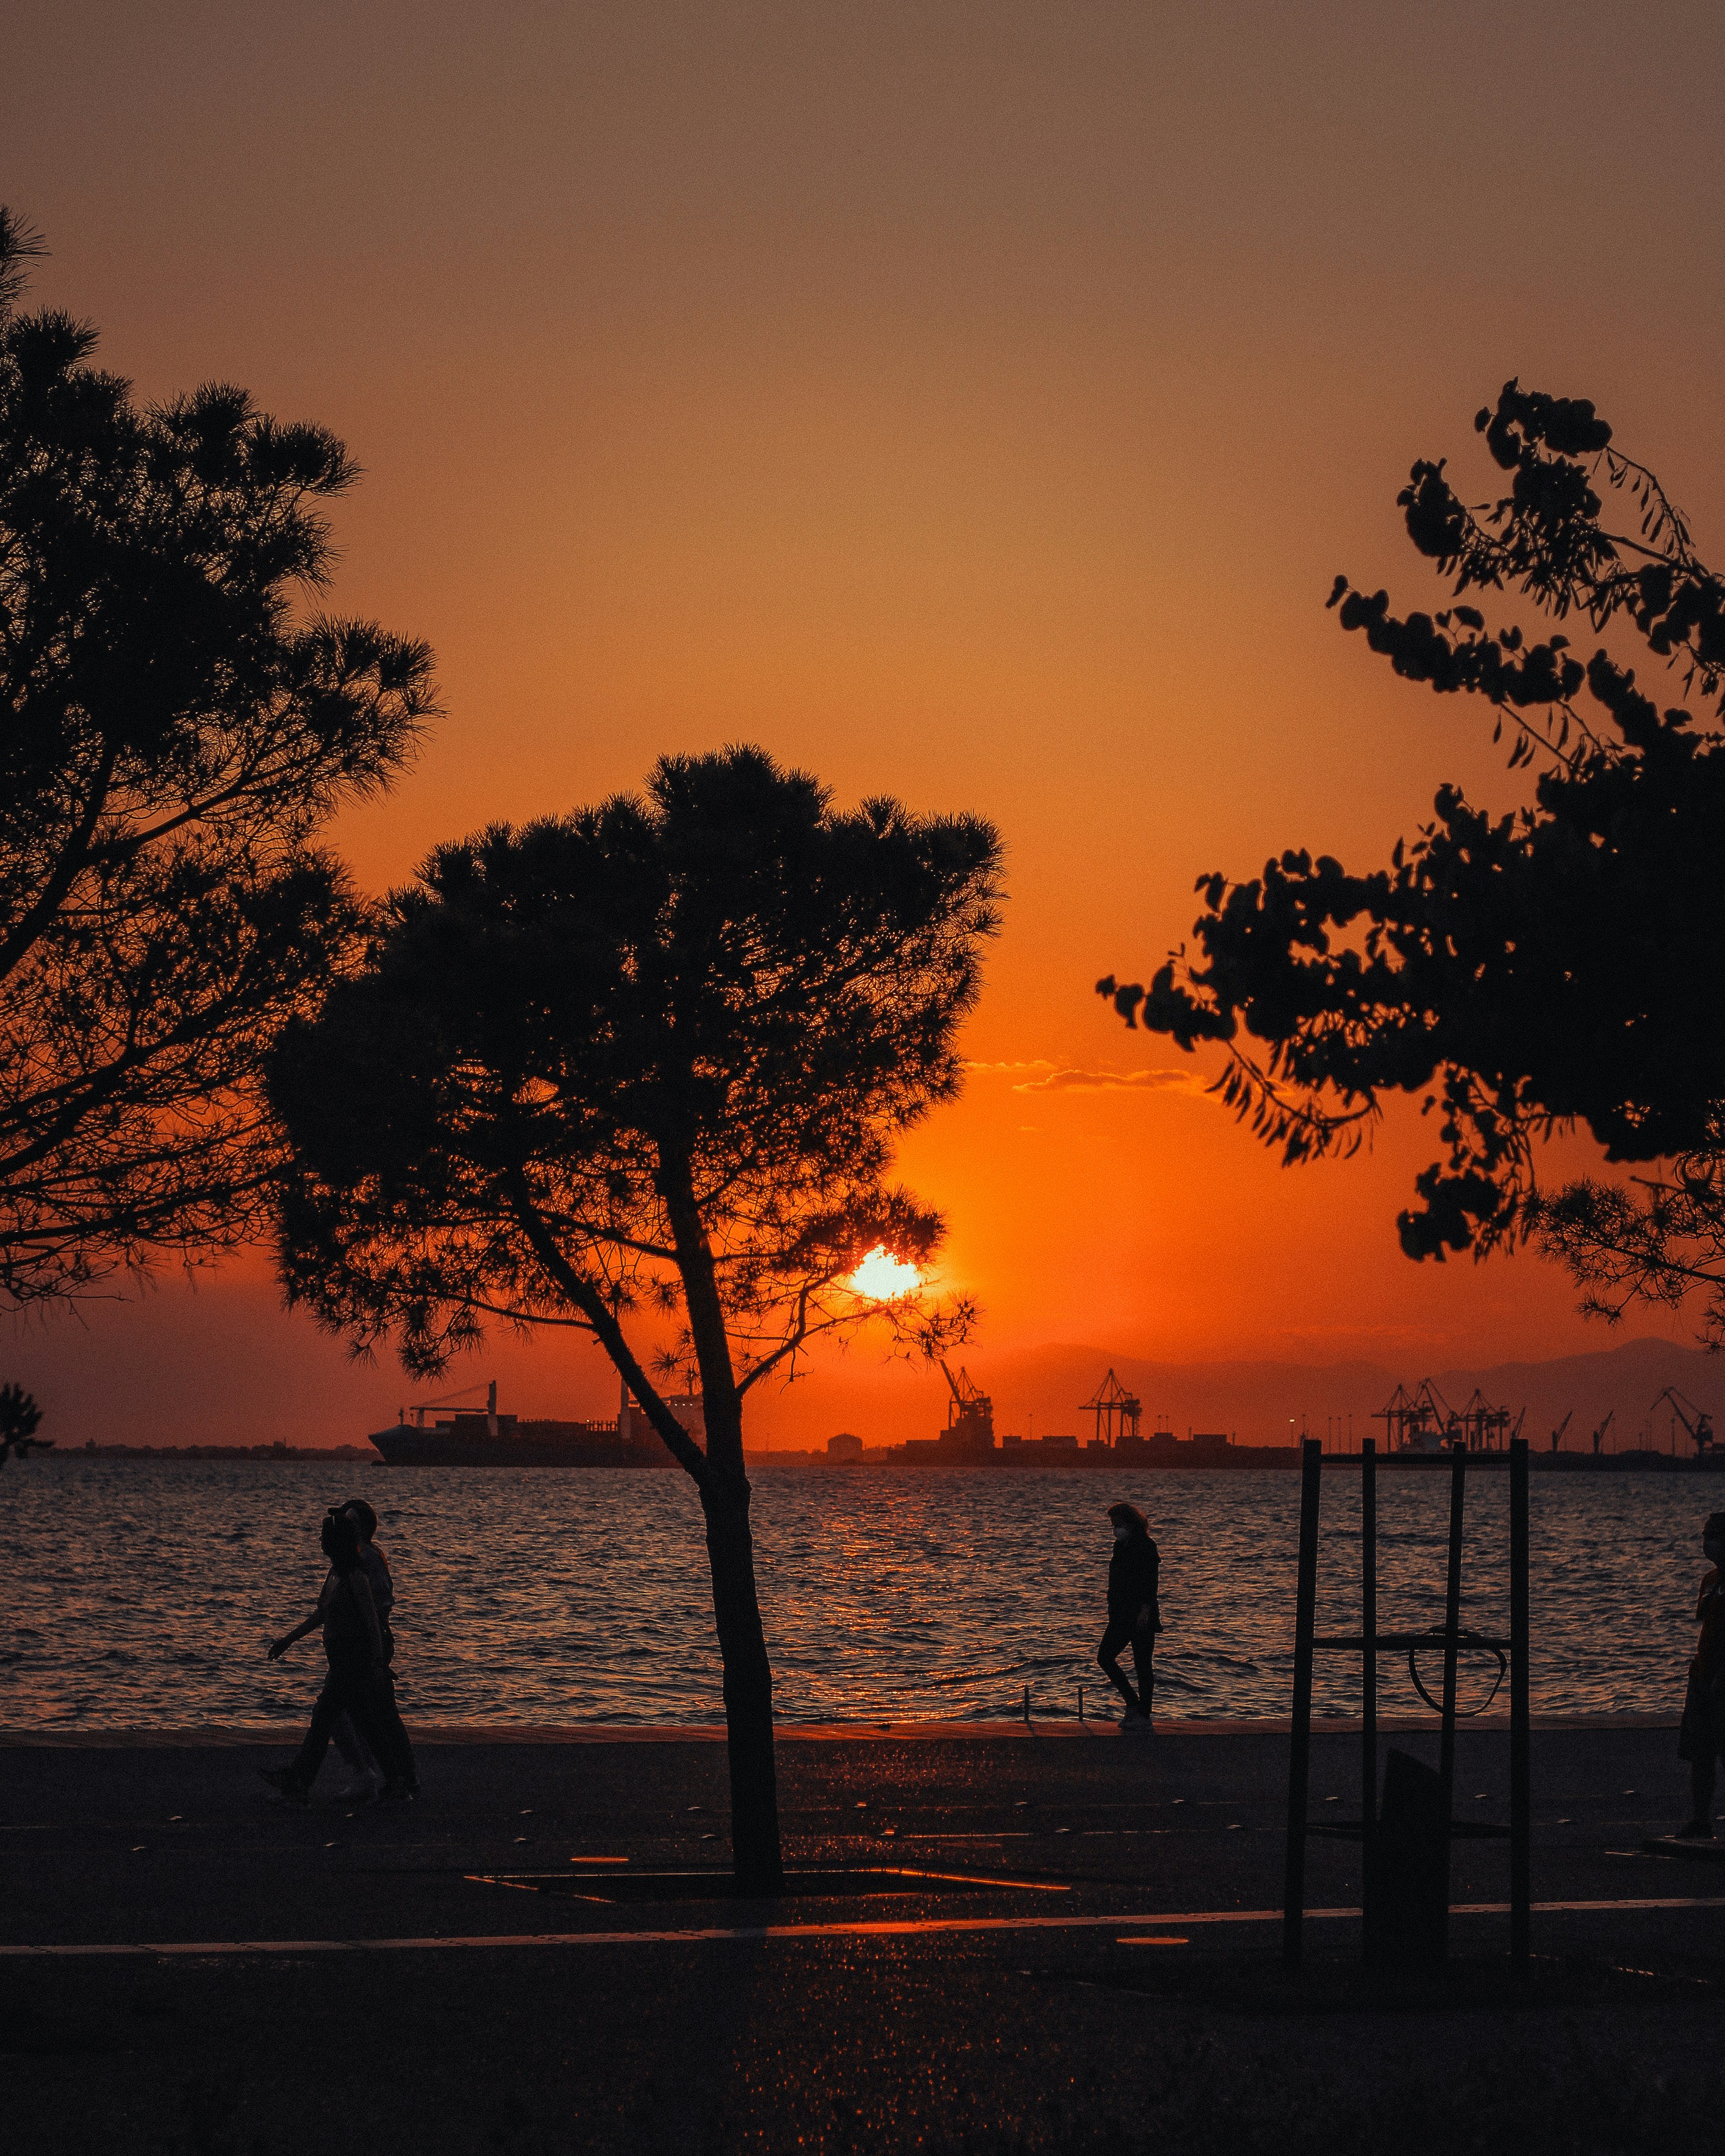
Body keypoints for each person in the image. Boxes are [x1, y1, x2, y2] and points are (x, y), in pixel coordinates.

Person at [261, 1507, 418, 1804]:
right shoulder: (335, 1574)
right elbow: (321, 1614)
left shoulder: (356, 1577)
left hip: (352, 1661)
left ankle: (299, 1780)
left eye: (325, 1538)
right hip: (340, 1659)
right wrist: (288, 1640)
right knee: (365, 1722)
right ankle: (396, 1781)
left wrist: (377, 1662)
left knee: (325, 1717)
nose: (320, 1542)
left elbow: (373, 1622)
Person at [328, 1499, 393, 1800]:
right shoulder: (352, 1557)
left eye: (350, 1521)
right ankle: (376, 1773)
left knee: (347, 1714)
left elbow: (378, 1606)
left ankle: (372, 1773)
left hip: (363, 1647)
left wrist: (374, 1650)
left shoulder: (367, 1559)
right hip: (351, 1647)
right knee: (362, 1714)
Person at [1675, 1511, 1725, 1838]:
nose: (1705, 1542)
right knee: (1700, 1752)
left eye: (1712, 1536)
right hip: (1703, 1675)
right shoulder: (1710, 1580)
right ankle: (1701, 1820)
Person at [1097, 1501, 1161, 1732]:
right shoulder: (1120, 1547)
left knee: (1143, 1664)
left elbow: (1150, 1582)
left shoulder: (1146, 1546)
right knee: (1105, 1657)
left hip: (1140, 1614)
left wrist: (1146, 1610)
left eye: (1118, 1524)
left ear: (1130, 1523)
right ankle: (1133, 1704)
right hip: (1120, 1614)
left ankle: (1143, 1714)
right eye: (1113, 1525)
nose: (1115, 1529)